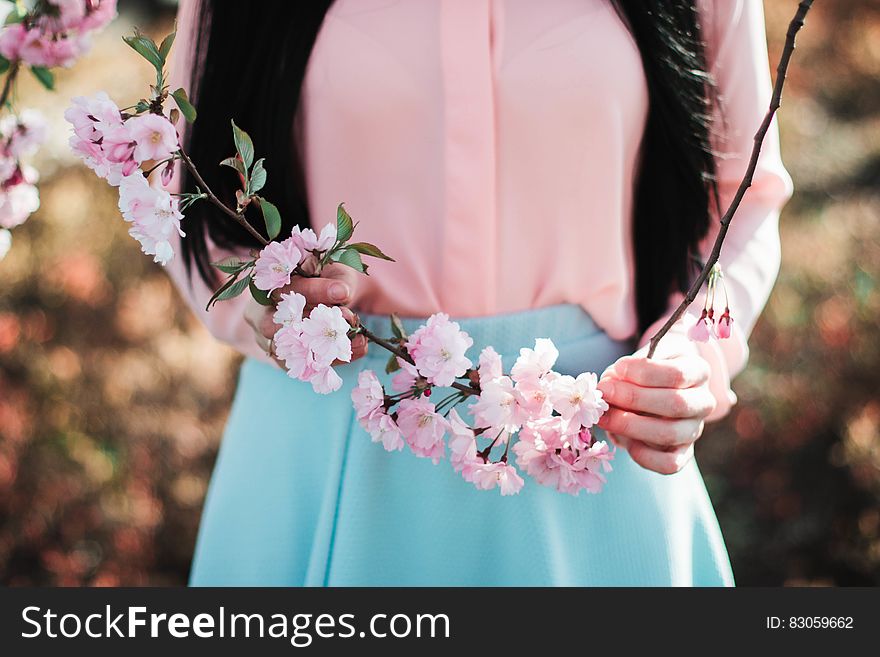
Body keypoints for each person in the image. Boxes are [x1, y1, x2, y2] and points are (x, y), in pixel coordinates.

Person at [165, 0, 793, 586]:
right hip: (325, 437)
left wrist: (688, 353)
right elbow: (183, 190)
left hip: (587, 434)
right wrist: (258, 303)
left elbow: (743, 197)